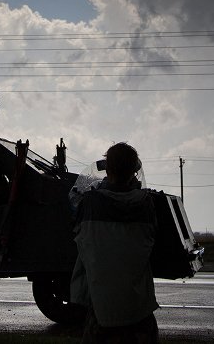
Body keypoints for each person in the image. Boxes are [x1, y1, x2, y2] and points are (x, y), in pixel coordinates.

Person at [70, 142, 159, 343]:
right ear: (134, 171)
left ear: (107, 169)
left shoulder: (90, 203)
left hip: (101, 310)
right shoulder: (146, 203)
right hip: (139, 308)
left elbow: (79, 236)